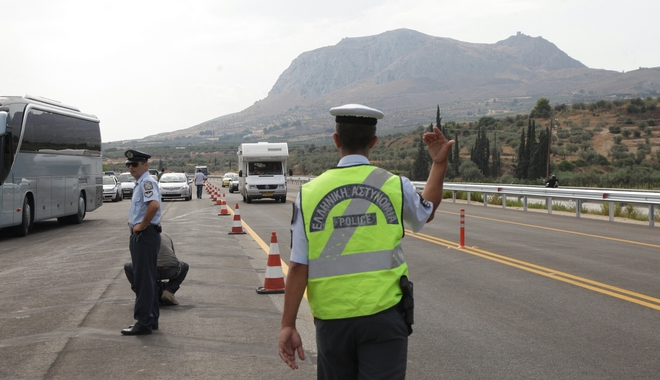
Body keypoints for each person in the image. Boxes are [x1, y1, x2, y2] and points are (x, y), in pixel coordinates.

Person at [278, 104, 454, 379]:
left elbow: (299, 266)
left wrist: (288, 324)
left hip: (333, 321)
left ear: (336, 140)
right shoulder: (395, 184)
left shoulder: (309, 193)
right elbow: (426, 210)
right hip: (385, 316)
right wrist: (439, 163)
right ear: (374, 142)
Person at [121, 149, 162, 336]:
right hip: (145, 235)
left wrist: (141, 226)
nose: (131, 167)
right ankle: (151, 319)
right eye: (128, 165)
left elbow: (154, 205)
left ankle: (143, 322)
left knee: (143, 280)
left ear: (145, 164)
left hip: (144, 236)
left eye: (134, 164)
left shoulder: (146, 182)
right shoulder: (141, 183)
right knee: (149, 279)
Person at [124, 231, 189, 306]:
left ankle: (144, 294)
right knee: (184, 266)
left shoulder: (137, 237)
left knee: (128, 267)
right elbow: (172, 257)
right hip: (169, 270)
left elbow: (136, 259)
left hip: (148, 270)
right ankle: (169, 291)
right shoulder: (165, 235)